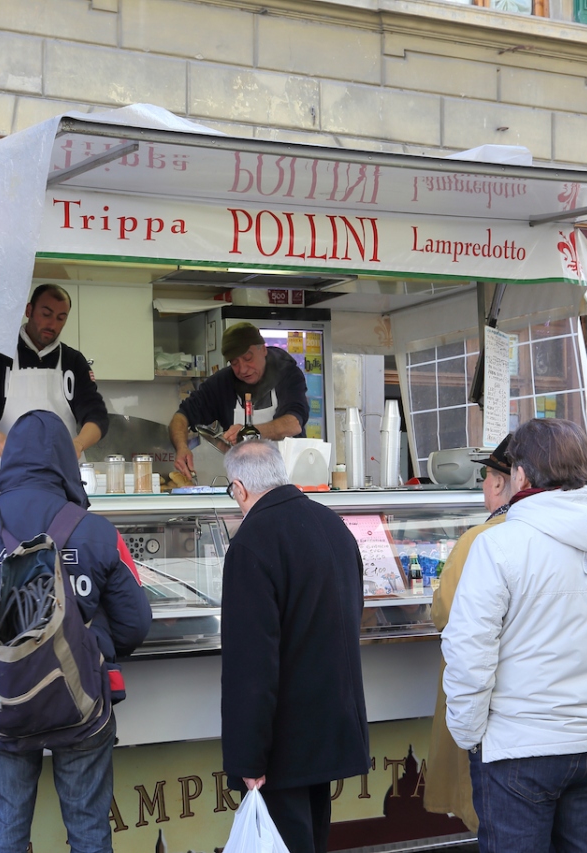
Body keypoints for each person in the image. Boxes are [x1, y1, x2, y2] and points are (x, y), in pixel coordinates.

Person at [0, 410, 151, 853]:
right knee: (90, 832)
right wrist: (90, 648)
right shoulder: (97, 531)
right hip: (83, 704)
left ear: (9, 461)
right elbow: (135, 622)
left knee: (6, 833)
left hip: (0, 702)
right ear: (66, 461)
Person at [441, 419, 587, 853]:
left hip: (519, 747)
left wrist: (471, 734)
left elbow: (469, 654)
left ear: (521, 475)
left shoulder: (498, 546)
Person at [219, 440, 369, 853]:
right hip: (329, 727)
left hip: (282, 744)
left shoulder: (252, 541)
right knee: (314, 838)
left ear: (239, 488)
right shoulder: (332, 524)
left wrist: (249, 758)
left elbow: (252, 665)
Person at [423, 435, 514, 834]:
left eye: (485, 478)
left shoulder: (479, 539)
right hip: (578, 730)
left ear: (499, 482)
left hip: (494, 715)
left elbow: (444, 613)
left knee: (499, 823)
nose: (482, 487)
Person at [0, 284, 110, 463]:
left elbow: (97, 416)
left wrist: (78, 444)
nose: (52, 324)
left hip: (63, 467)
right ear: (29, 310)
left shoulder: (73, 361)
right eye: (46, 314)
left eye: (61, 318)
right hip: (13, 467)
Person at [171, 322, 309, 479]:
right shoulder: (222, 383)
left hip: (288, 478)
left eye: (248, 358)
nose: (242, 369)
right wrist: (181, 448)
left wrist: (248, 433)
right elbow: (181, 416)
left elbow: (293, 424)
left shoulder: (288, 374)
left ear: (263, 350)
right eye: (234, 363)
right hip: (243, 482)